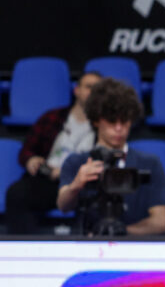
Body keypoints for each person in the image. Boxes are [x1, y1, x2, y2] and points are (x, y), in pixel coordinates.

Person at [56, 78, 165, 236]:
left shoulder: (150, 163)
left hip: (135, 247)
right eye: (111, 121)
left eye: (124, 121)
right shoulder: (76, 162)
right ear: (96, 120)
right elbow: (63, 205)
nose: (118, 128)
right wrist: (76, 185)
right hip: (88, 246)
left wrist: (122, 232)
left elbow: (160, 222)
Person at [4, 72, 101, 235]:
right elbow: (26, 150)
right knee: (17, 193)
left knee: (98, 200)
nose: (93, 92)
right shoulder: (53, 117)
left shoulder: (104, 124)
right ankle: (25, 247)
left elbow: (106, 158)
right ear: (76, 90)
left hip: (82, 184)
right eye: (88, 87)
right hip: (48, 180)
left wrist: (69, 173)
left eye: (98, 89)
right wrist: (31, 159)